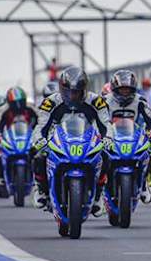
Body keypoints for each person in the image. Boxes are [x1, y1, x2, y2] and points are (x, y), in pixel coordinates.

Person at [30, 66, 113, 214]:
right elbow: (41, 125)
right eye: (68, 91)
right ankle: (41, 189)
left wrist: (108, 138)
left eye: (77, 92)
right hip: (58, 140)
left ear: (84, 90)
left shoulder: (96, 101)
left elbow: (106, 123)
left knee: (106, 156)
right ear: (62, 89)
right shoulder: (50, 102)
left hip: (86, 140)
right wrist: (39, 140)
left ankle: (98, 194)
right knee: (38, 155)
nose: (72, 96)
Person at [105, 69, 151, 203]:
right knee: (100, 156)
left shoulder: (140, 100)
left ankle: (144, 184)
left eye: (128, 90)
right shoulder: (105, 101)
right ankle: (100, 189)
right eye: (122, 90)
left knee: (147, 150)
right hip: (110, 137)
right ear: (115, 88)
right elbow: (96, 118)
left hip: (133, 135)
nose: (125, 93)